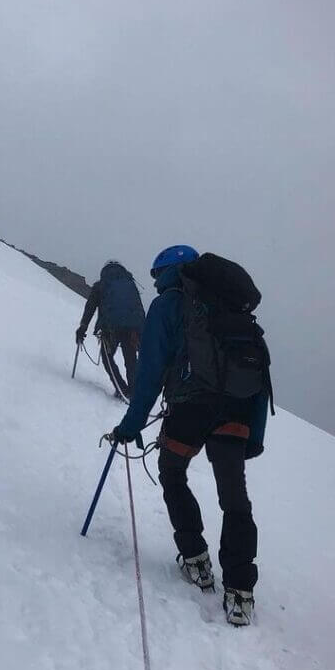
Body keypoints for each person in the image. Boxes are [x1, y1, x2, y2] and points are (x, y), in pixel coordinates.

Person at [107, 244, 268, 627]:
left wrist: (130, 425)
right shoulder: (232, 310)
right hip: (238, 410)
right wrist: (252, 438)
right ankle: (241, 591)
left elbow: (148, 374)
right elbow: (259, 372)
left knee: (172, 471)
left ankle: (196, 558)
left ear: (166, 271)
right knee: (234, 496)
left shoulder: (169, 306)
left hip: (193, 405)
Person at [75, 260, 145, 398]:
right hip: (132, 329)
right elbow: (138, 309)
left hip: (110, 328)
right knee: (131, 360)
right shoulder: (130, 285)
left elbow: (90, 308)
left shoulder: (101, 285)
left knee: (107, 358)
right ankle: (133, 391)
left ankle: (121, 389)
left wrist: (83, 328)